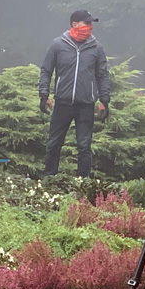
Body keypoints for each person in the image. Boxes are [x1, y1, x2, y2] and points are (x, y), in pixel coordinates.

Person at [38, 9, 110, 177]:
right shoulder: (58, 45)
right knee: (54, 144)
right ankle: (49, 180)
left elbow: (103, 75)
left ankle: (82, 184)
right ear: (74, 24)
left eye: (91, 24)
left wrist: (104, 101)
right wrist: (44, 94)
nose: (90, 26)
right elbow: (46, 70)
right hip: (62, 103)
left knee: (84, 147)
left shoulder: (97, 48)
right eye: (87, 23)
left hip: (86, 105)